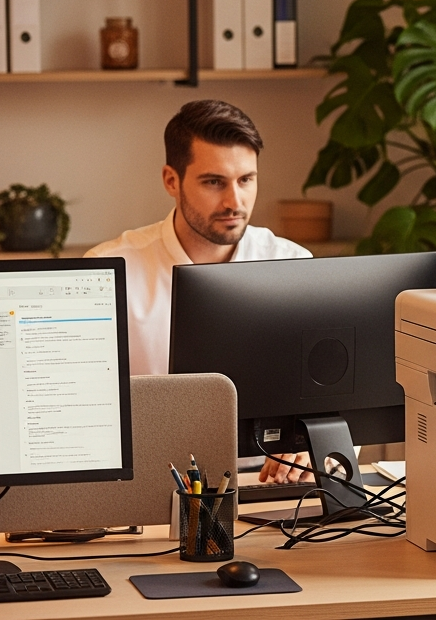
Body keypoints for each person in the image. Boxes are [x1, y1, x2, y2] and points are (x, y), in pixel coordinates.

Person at [86, 99, 314, 483]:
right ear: (171, 180)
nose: (234, 202)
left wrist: (312, 446)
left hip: (269, 487)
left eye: (246, 180)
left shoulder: (295, 266)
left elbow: (336, 403)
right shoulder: (108, 273)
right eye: (214, 182)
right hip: (149, 486)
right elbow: (84, 415)